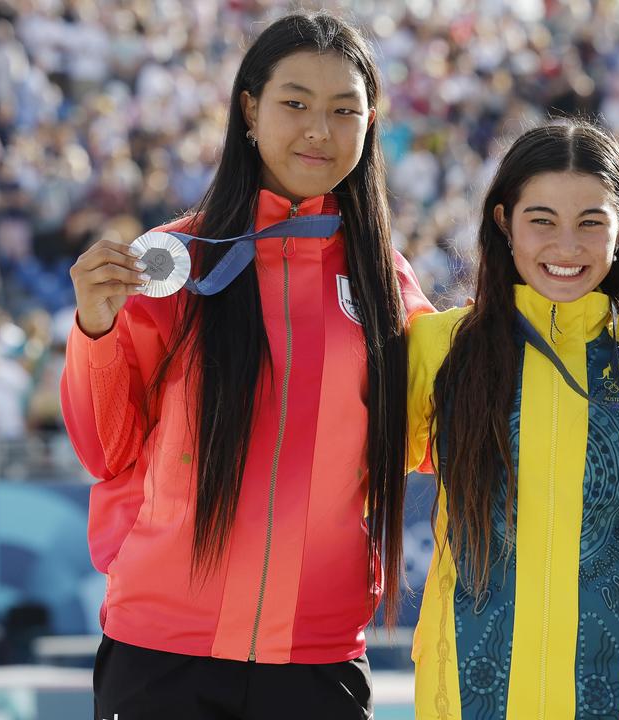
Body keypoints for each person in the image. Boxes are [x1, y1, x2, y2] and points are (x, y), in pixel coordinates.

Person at [60, 12, 433, 719]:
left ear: (370, 122)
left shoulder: (385, 282)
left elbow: (421, 440)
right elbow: (104, 448)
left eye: (343, 109)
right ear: (250, 110)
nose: (318, 130)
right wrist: (96, 328)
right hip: (162, 653)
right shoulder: (170, 264)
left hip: (316, 655)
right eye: (295, 103)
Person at [406, 122, 619, 719]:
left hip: (611, 693)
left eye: (591, 222)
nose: (567, 246)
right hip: (462, 695)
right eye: (542, 220)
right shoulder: (440, 346)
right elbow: (356, 473)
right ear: (503, 223)